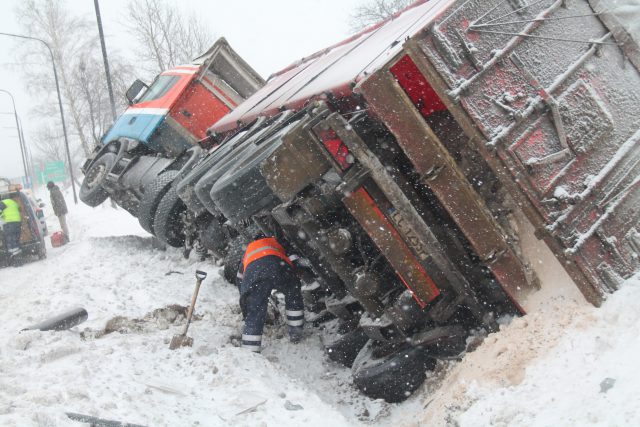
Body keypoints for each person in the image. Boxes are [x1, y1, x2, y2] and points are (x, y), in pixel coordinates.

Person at [237, 234, 305, 352]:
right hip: (280, 267)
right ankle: (296, 332)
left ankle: (250, 349)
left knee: (255, 312)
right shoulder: (277, 242)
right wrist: (294, 280)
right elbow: (294, 260)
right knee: (293, 296)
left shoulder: (249, 250)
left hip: (256, 276)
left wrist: (247, 303)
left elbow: (240, 279)